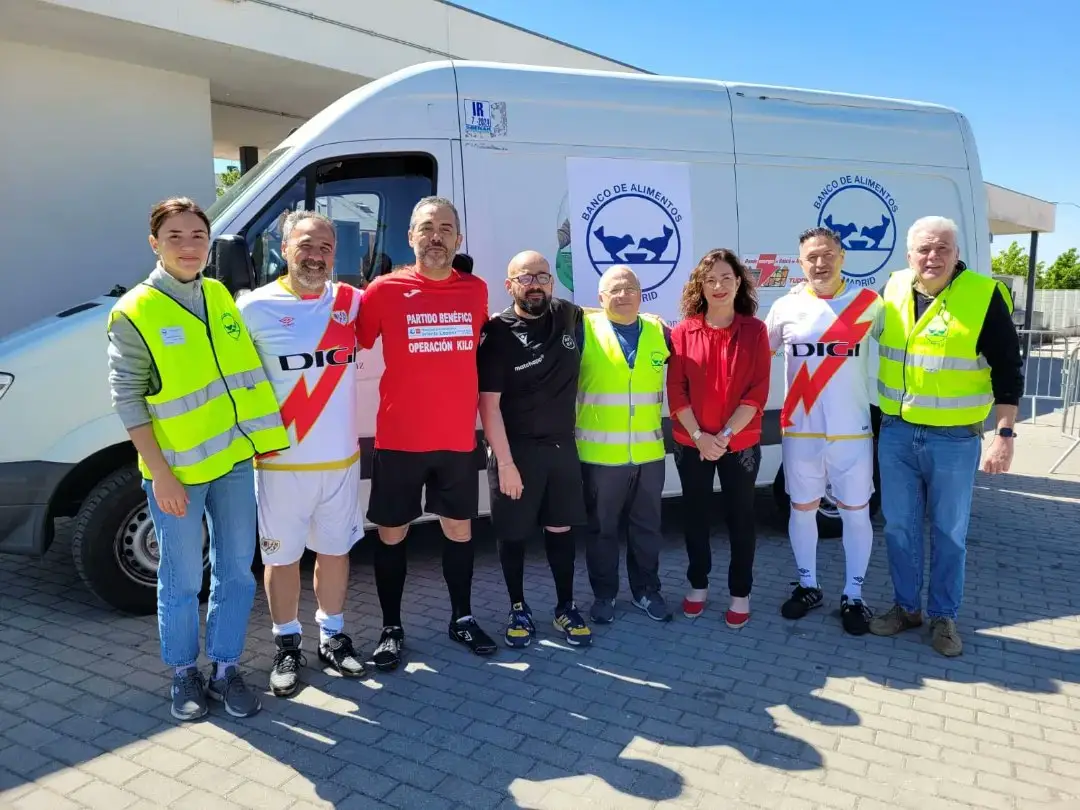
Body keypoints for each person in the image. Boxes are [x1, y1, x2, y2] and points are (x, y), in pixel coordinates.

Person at [106, 197, 289, 721]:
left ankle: (226, 668)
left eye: (198, 236)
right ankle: (184, 671)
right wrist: (159, 474)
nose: (189, 247)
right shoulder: (135, 311)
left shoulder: (217, 294)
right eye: (176, 237)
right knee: (183, 581)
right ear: (154, 244)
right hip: (177, 473)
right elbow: (128, 399)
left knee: (236, 573)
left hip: (232, 462)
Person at [869, 215, 1023, 656]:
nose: (932, 256)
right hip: (897, 432)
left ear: (957, 253)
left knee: (949, 532)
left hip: (954, 439)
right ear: (909, 254)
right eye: (924, 249)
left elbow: (1008, 371)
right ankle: (905, 608)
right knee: (898, 527)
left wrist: (1004, 435)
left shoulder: (982, 295)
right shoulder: (893, 287)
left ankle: (943, 617)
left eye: (942, 248)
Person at [356, 196, 497, 669]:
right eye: (426, 228)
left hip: (458, 438)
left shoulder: (476, 290)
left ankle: (462, 618)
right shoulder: (383, 290)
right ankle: (391, 628)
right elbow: (347, 338)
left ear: (458, 238)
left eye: (445, 228)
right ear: (410, 236)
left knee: (459, 529)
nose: (436, 236)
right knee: (392, 533)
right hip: (399, 438)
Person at [237, 210, 367, 698]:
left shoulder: (352, 302)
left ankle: (332, 637)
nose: (316, 256)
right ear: (284, 248)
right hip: (280, 464)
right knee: (283, 558)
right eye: (306, 245)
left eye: (326, 248)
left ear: (336, 254)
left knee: (335, 553)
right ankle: (287, 643)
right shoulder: (253, 308)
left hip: (340, 462)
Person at [764, 228, 883, 636]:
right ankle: (809, 585)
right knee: (802, 509)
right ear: (801, 263)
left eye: (828, 254)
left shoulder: (871, 305)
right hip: (801, 430)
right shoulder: (784, 306)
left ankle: (854, 594)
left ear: (842, 257)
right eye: (812, 257)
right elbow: (753, 354)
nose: (820, 262)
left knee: (855, 513)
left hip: (852, 431)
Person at [477, 250, 591, 648]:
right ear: (509, 286)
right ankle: (518, 607)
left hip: (561, 449)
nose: (535, 284)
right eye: (525, 278)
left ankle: (564, 607)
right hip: (515, 453)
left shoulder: (568, 314)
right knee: (514, 534)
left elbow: (601, 311)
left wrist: (647, 318)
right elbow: (488, 406)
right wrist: (505, 463)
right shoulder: (496, 333)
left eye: (542, 276)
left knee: (561, 529)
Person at [668, 249, 771, 627]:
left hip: (738, 443)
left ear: (739, 282)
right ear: (700, 287)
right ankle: (698, 585)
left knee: (740, 518)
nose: (718, 286)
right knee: (695, 516)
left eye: (726, 278)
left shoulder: (755, 331)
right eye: (710, 280)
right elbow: (676, 392)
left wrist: (723, 437)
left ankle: (740, 592)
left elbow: (758, 392)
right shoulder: (682, 332)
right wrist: (699, 436)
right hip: (691, 441)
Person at [577, 265, 674, 625]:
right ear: (600, 298)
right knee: (602, 531)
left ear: (641, 292)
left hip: (649, 454)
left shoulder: (659, 331)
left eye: (630, 288)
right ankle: (604, 595)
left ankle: (647, 590)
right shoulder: (584, 327)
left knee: (647, 528)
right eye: (614, 290)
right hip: (600, 456)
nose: (623, 295)